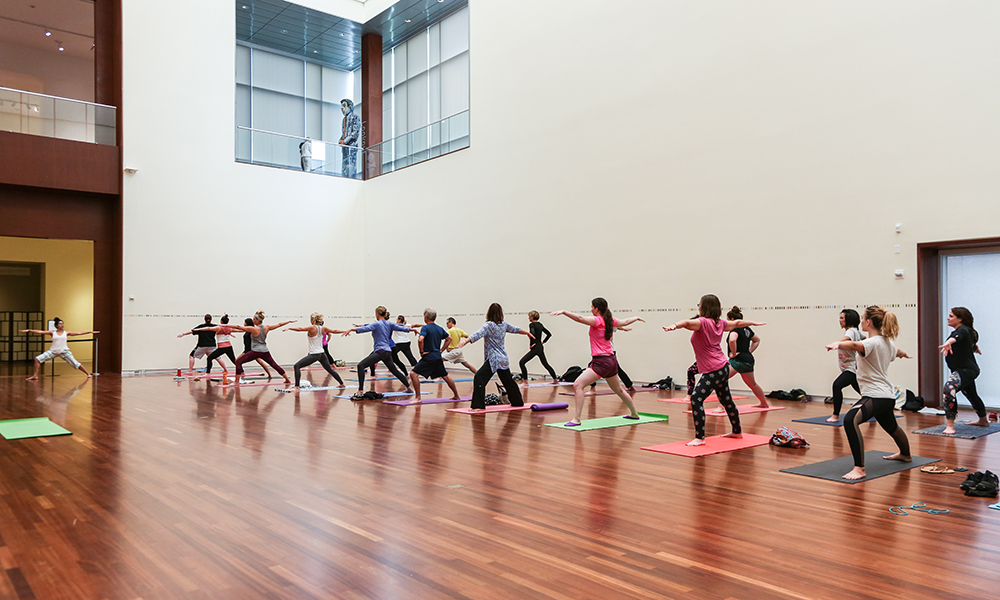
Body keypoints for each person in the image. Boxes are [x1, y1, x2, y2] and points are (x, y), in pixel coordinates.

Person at [662, 294, 766, 446]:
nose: (698, 307)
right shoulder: (720, 323)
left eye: (700, 304)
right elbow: (737, 322)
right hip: (723, 367)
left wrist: (675, 325)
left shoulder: (702, 322)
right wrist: (753, 323)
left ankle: (700, 437)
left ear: (705, 307)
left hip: (713, 370)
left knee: (696, 399)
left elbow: (686, 322)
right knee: (727, 400)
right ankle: (736, 431)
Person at [825, 306, 912, 480]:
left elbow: (856, 345)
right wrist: (904, 354)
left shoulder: (871, 343)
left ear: (869, 322)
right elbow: (898, 351)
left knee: (850, 420)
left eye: (863, 318)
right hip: (886, 396)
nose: (861, 320)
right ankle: (905, 454)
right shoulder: (887, 342)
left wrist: (838, 344)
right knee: (891, 427)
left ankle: (859, 468)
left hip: (875, 396)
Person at [550, 298, 643, 426]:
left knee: (578, 385)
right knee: (619, 390)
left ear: (597, 309)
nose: (591, 309)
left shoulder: (597, 321)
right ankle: (634, 414)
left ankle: (576, 419)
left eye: (592, 307)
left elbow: (580, 319)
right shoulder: (611, 320)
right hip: (611, 360)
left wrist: (565, 312)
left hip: (601, 362)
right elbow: (625, 321)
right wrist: (636, 317)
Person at [458, 303, 533, 411]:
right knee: (508, 381)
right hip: (503, 358)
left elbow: (477, 334)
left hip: (494, 359)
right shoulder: (504, 324)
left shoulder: (488, 325)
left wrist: (464, 342)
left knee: (479, 378)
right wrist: (527, 333)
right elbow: (516, 329)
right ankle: (517, 402)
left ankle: (478, 405)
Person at [343, 306, 417, 398]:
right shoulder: (389, 323)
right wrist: (412, 329)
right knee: (394, 371)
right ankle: (409, 388)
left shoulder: (377, 324)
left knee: (360, 366)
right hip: (387, 351)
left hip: (380, 351)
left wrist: (351, 329)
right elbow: (401, 327)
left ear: (377, 314)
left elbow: (365, 329)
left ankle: (360, 391)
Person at [939, 307, 987, 434]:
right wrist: (973, 346)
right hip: (967, 369)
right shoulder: (968, 331)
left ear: (960, 319)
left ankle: (950, 426)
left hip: (965, 370)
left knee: (949, 389)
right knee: (971, 394)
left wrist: (949, 342)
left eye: (951, 316)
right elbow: (969, 339)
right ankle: (983, 420)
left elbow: (957, 337)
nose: (948, 318)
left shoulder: (963, 329)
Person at [713, 306, 769, 413]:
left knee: (720, 381)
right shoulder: (747, 329)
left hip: (737, 361)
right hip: (748, 360)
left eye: (728, 320)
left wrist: (733, 354)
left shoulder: (735, 328)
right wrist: (748, 351)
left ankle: (721, 407)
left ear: (732, 320)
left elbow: (732, 340)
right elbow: (757, 340)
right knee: (753, 384)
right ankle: (764, 404)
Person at [408, 308, 461, 403]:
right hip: (437, 357)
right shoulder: (439, 328)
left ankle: (418, 398)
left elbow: (420, 339)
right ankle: (456, 395)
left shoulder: (425, 328)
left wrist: (421, 352)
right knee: (445, 376)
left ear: (426, 317)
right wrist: (441, 350)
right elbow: (449, 339)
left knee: (413, 374)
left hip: (429, 357)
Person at [228, 310, 294, 385]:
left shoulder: (254, 329)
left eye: (254, 319)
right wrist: (288, 321)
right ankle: (287, 379)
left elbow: (238, 327)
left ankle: (236, 381)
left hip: (256, 351)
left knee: (238, 361)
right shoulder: (267, 327)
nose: (253, 321)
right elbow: (279, 324)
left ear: (257, 320)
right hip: (265, 351)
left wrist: (223, 325)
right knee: (274, 365)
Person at [283, 313, 347, 390]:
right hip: (322, 354)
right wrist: (345, 331)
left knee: (297, 366)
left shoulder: (312, 328)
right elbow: (334, 331)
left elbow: (300, 329)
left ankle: (297, 386)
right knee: (329, 369)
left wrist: (290, 328)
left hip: (314, 354)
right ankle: (342, 384)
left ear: (312, 320)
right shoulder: (323, 328)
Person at [22, 318, 99, 380]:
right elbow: (40, 332)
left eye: (62, 323)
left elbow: (78, 333)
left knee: (75, 363)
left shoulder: (66, 333)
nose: (62, 325)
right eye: (60, 324)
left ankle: (88, 374)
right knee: (37, 359)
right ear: (56, 325)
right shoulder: (52, 332)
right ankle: (35, 375)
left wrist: (89, 332)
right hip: (53, 351)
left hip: (64, 351)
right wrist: (29, 330)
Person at [827, 309, 865, 422]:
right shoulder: (856, 332)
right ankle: (874, 409)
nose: (840, 320)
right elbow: (864, 338)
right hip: (850, 369)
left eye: (842, 318)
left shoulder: (851, 331)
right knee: (864, 393)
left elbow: (847, 338)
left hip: (851, 369)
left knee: (837, 386)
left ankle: (835, 416)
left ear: (849, 319)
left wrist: (836, 343)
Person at [518, 311, 559, 382]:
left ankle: (525, 381)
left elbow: (532, 334)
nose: (528, 318)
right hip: (540, 347)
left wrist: (531, 344)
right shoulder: (540, 325)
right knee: (546, 364)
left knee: (522, 362)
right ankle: (555, 379)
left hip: (535, 347)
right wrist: (543, 342)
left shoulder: (532, 325)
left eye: (529, 316)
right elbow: (549, 334)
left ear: (532, 317)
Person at [339, 99, 361, 177]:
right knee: (344, 166)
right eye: (341, 106)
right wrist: (341, 140)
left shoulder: (355, 117)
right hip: (345, 148)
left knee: (351, 166)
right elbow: (344, 133)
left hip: (351, 146)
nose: (342, 108)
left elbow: (355, 132)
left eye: (344, 106)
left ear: (350, 107)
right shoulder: (344, 120)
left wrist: (345, 141)